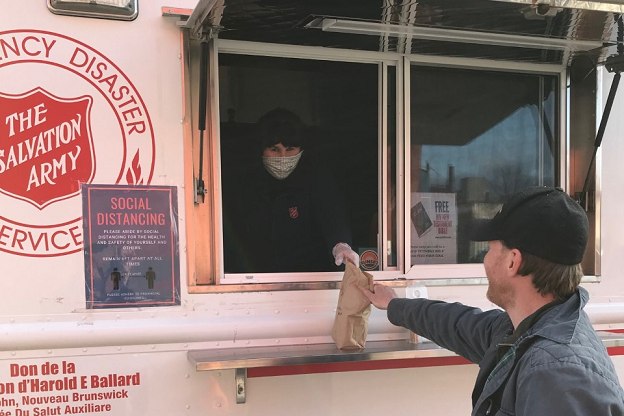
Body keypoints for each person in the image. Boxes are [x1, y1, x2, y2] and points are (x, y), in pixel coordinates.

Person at [362, 186, 624, 415]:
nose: (485, 260)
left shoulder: (557, 373)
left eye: (490, 249)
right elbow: (456, 324)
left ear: (513, 261)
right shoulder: (526, 328)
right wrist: (394, 304)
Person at [222, 107, 359, 273]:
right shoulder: (243, 183)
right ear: (260, 149)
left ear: (301, 150)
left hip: (307, 279)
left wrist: (340, 245)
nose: (283, 157)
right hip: (254, 280)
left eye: (290, 149)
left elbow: (331, 214)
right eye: (274, 150)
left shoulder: (315, 179)